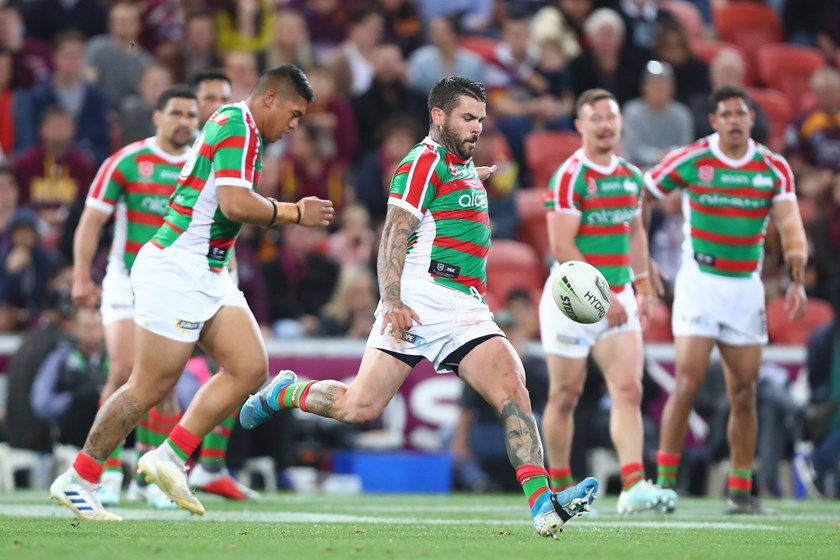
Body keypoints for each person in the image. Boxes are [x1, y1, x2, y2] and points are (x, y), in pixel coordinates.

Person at [239, 76, 599, 538]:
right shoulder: (422, 163)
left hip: (466, 307)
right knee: (359, 409)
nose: (477, 128)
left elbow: (450, 196)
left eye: (482, 120)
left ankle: (543, 506)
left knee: (513, 387)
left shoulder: (458, 163)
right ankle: (284, 392)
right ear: (438, 116)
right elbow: (393, 232)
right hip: (417, 300)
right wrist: (391, 300)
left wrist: (475, 176)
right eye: (468, 118)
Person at [49, 64, 334, 521]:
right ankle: (80, 477)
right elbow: (235, 204)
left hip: (207, 270)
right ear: (270, 100)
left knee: (249, 367)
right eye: (295, 114)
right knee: (148, 385)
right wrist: (294, 212)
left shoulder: (240, 128)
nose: (295, 125)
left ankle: (169, 456)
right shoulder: (239, 126)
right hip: (176, 267)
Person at [645, 84, 808, 514]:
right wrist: (640, 255)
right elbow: (643, 192)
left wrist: (796, 275)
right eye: (726, 114)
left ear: (752, 118)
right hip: (700, 281)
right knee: (687, 382)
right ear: (714, 121)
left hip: (744, 287)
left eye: (741, 112)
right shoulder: (693, 157)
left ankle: (739, 489)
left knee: (744, 393)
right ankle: (665, 483)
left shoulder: (773, 168)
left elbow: (791, 225)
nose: (734, 120)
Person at [538, 88, 677, 514]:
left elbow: (635, 234)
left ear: (620, 124)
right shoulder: (571, 175)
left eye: (610, 117)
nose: (604, 125)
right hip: (571, 298)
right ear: (580, 125)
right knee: (565, 394)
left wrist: (644, 290)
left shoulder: (632, 177)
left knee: (629, 389)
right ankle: (559, 486)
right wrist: (602, 297)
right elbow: (562, 245)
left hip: (617, 295)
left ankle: (634, 484)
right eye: (595, 118)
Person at [70, 85, 201, 508]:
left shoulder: (204, 164)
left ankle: (151, 478)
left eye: (191, 115)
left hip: (179, 284)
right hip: (125, 279)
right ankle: (106, 473)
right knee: (124, 368)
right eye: (177, 113)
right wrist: (79, 276)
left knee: (166, 384)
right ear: (157, 117)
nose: (184, 122)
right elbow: (91, 222)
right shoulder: (127, 161)